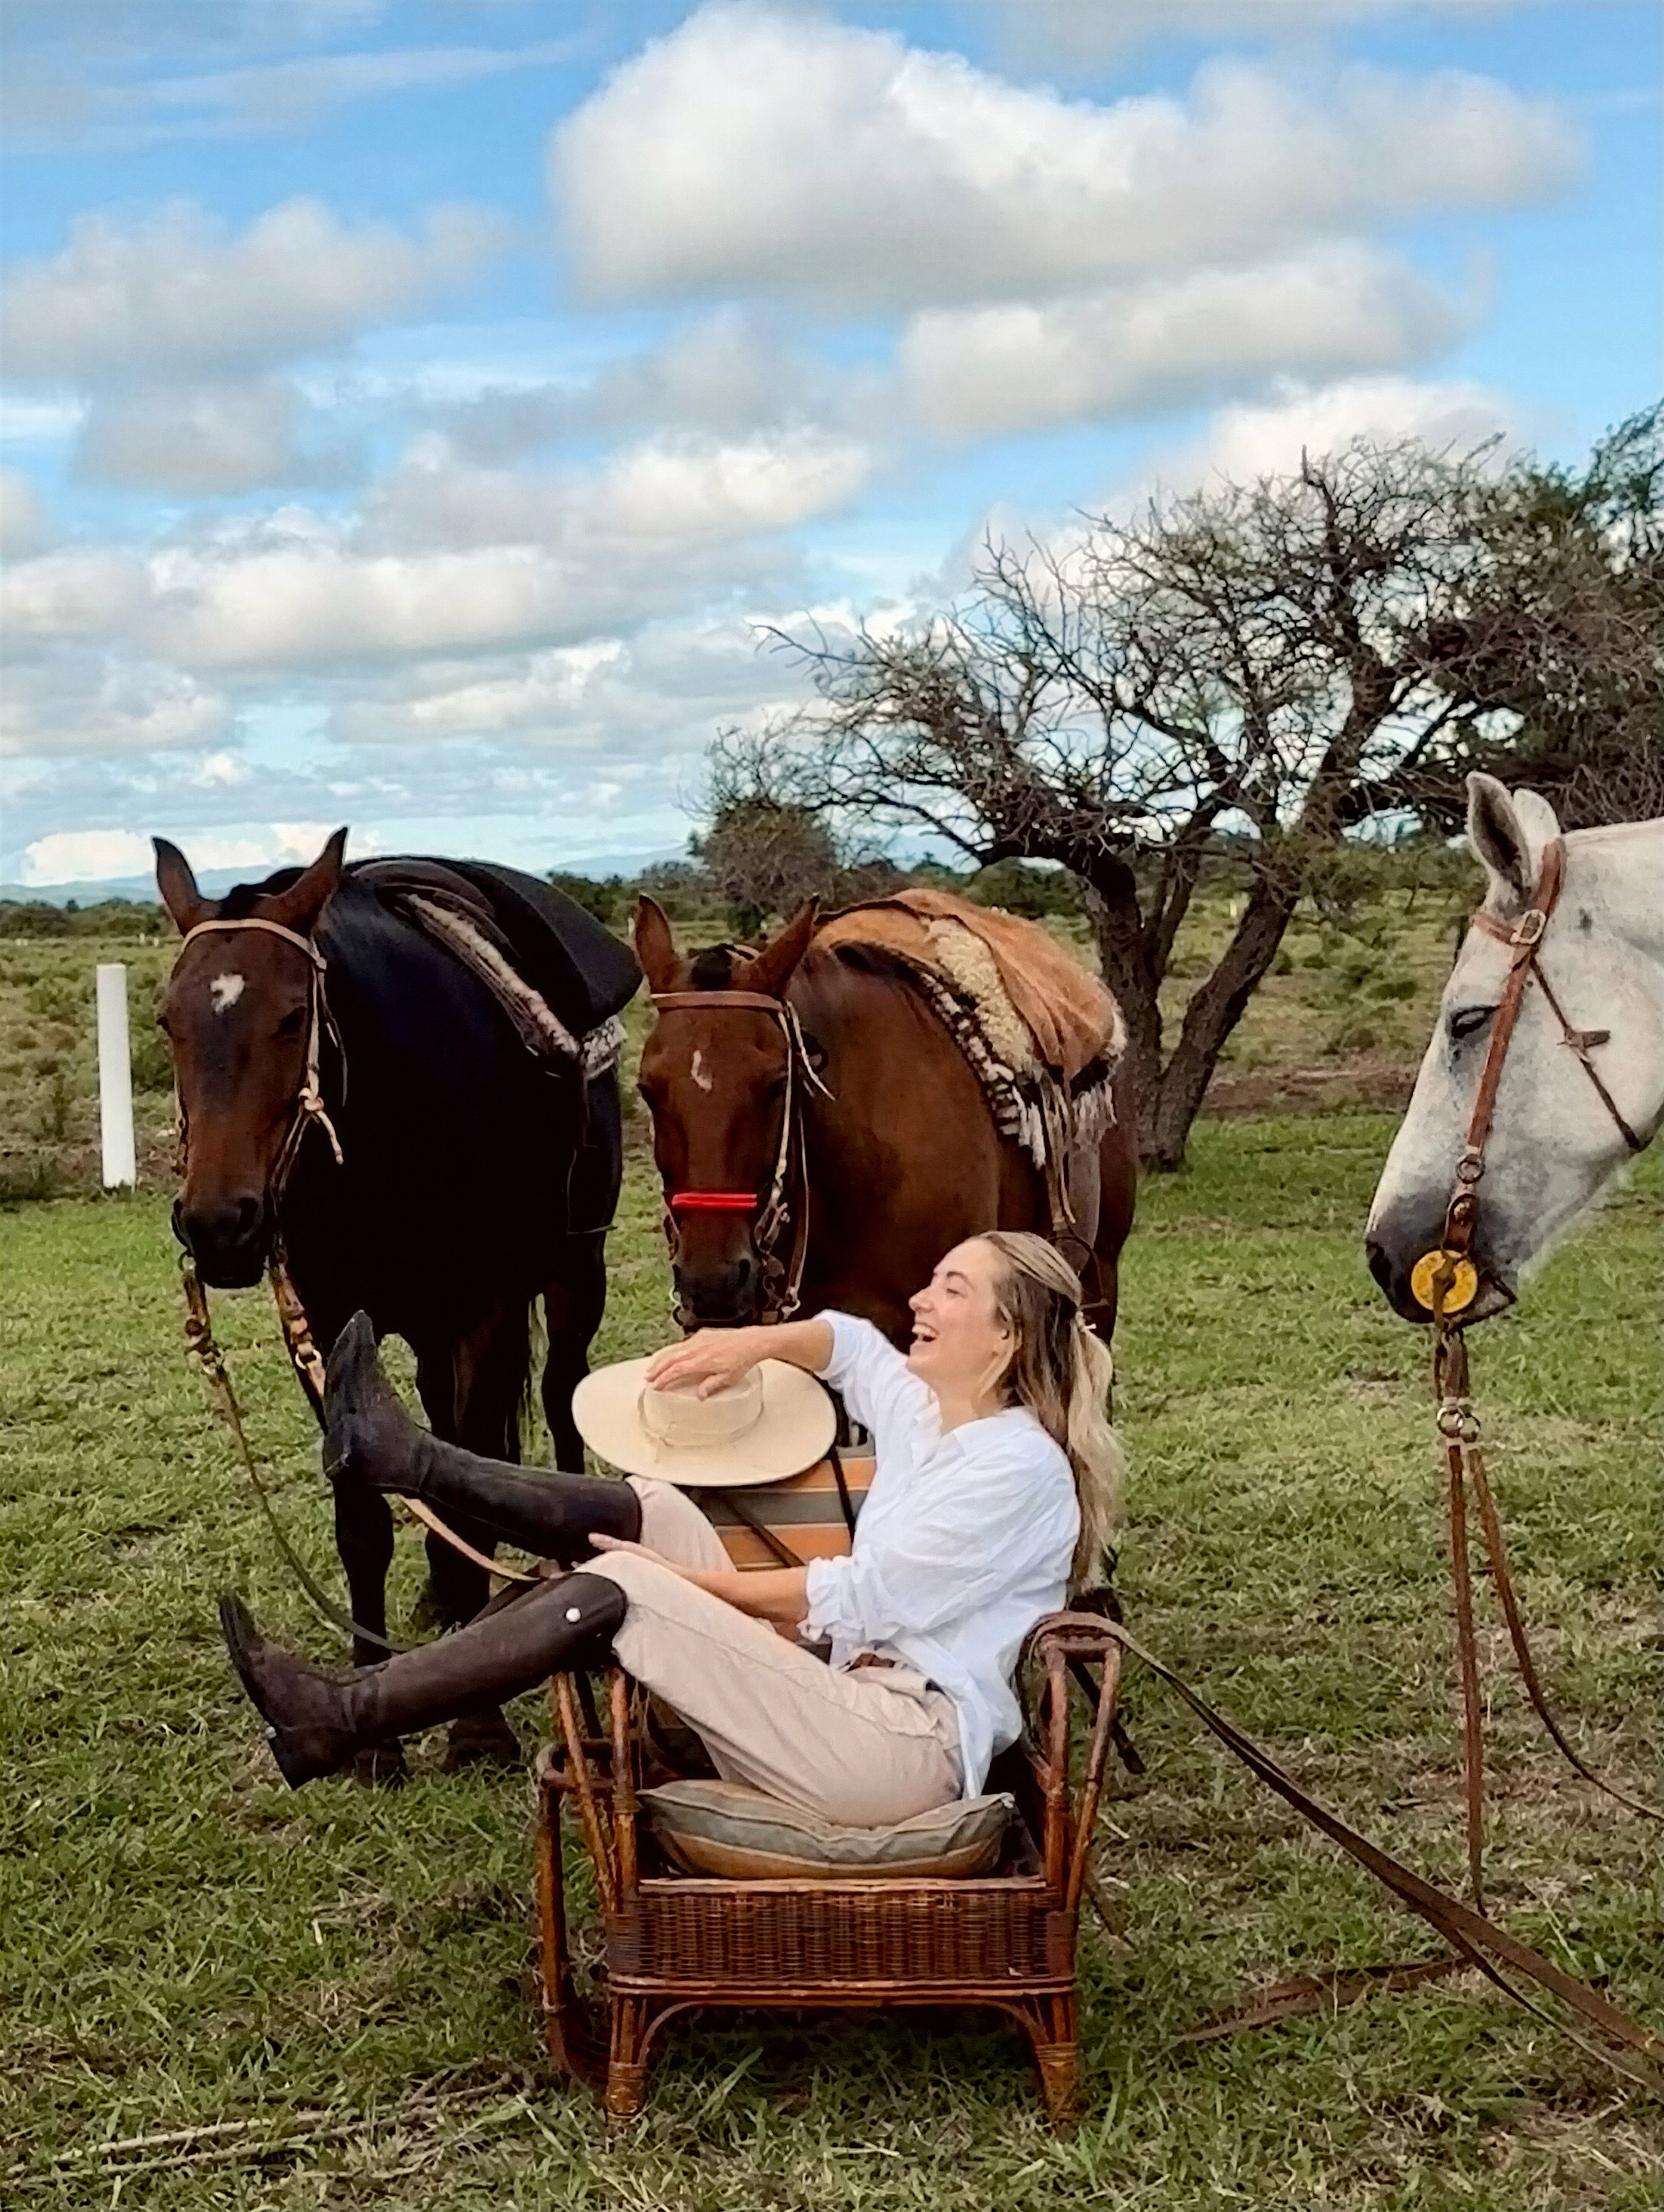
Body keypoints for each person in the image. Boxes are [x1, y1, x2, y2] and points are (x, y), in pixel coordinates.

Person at [220, 1231, 1122, 1826]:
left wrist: (684, 1585)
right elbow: (848, 1345)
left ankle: (342, 1716)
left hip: (898, 1752)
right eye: (930, 1280)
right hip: (845, 1697)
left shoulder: (1019, 1467)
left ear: (1005, 1337)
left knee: (641, 1580)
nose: (922, 1299)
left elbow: (860, 1592)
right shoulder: (934, 1416)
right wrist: (751, 1343)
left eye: (952, 1289)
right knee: (658, 1504)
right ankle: (403, 1459)